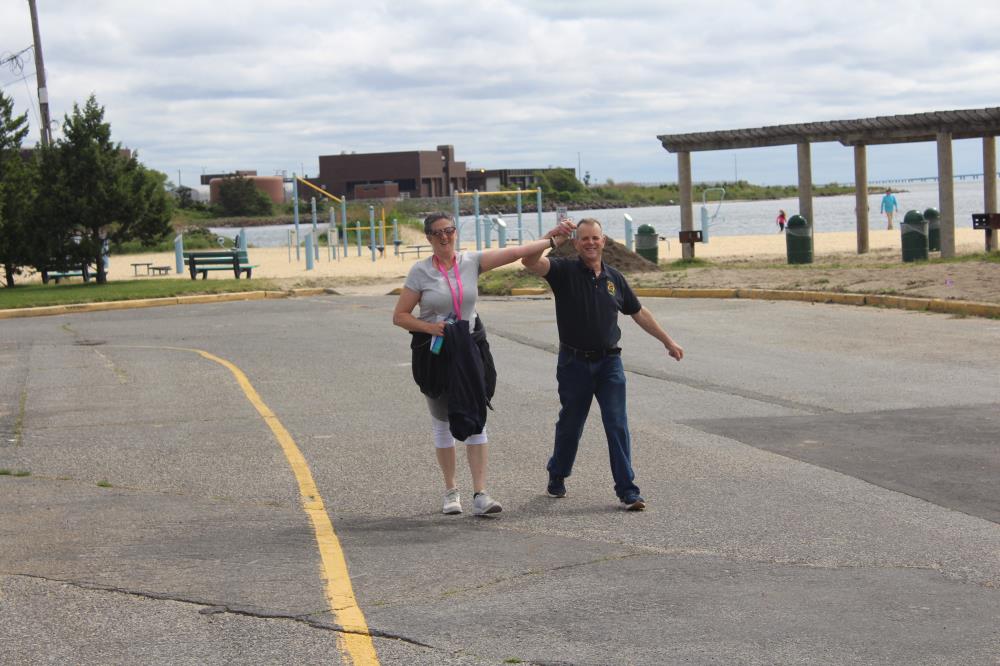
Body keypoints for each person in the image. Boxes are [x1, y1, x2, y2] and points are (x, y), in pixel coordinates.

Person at [393, 212, 574, 516]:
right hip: (436, 352)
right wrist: (431, 328)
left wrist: (552, 240)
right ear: (428, 238)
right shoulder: (420, 272)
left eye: (449, 230)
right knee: (442, 422)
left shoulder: (471, 261)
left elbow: (516, 252)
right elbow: (400, 316)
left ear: (455, 232)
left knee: (476, 414)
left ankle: (480, 494)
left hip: (469, 349)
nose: (444, 237)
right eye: (437, 233)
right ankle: (451, 492)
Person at [522, 218, 684, 511]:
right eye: (584, 238)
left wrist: (667, 341)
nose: (590, 243)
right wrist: (551, 238)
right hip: (574, 364)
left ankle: (628, 490)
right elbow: (529, 261)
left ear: (603, 241)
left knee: (616, 423)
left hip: (609, 363)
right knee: (571, 424)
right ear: (576, 243)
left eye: (595, 238)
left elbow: (638, 311)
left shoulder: (614, 278)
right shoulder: (563, 271)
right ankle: (558, 473)